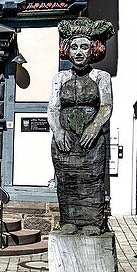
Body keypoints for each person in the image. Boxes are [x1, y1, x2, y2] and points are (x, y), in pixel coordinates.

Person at [47, 17, 114, 234]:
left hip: (91, 140)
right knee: (67, 179)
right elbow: (53, 107)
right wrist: (57, 130)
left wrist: (94, 128)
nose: (78, 52)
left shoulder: (101, 77)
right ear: (67, 49)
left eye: (84, 47)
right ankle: (69, 219)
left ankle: (93, 222)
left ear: (93, 49)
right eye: (74, 47)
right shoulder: (60, 77)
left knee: (91, 179)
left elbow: (106, 106)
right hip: (65, 139)